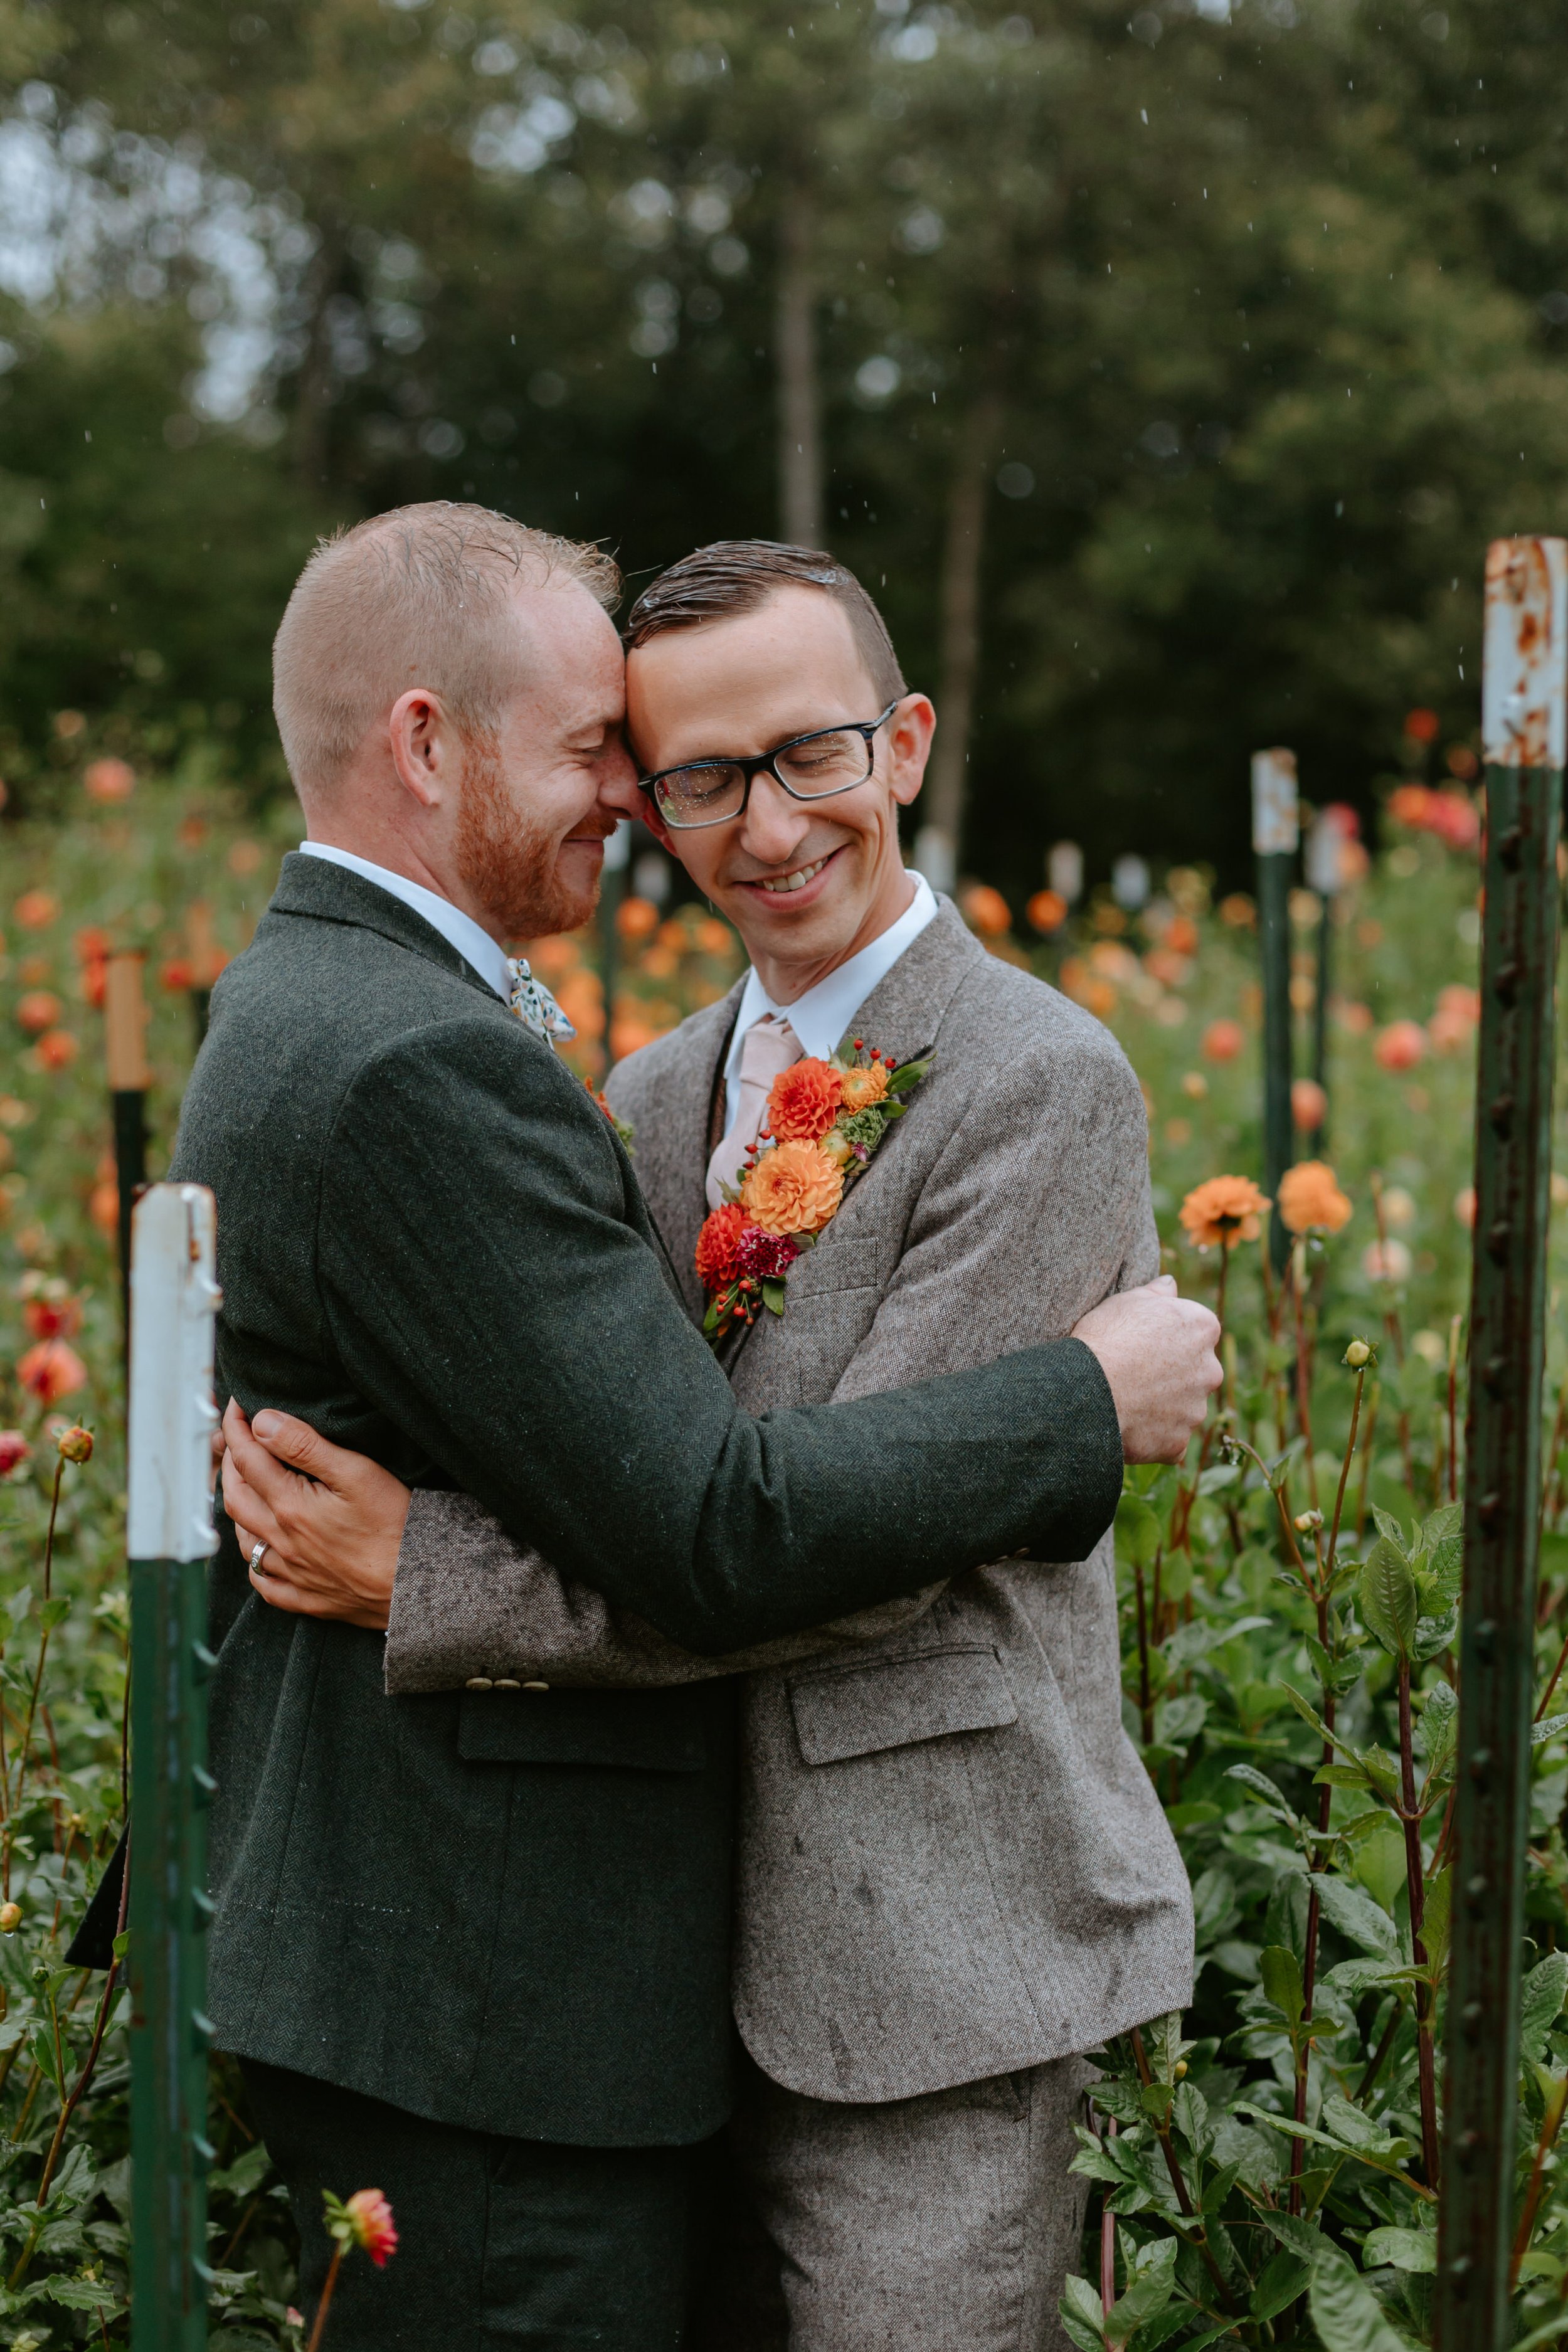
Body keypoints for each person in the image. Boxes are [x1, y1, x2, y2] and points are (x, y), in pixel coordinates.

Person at [215, 524, 1219, 2351]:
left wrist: (423, 1581)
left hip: (928, 1963)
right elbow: (700, 1515)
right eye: (689, 776)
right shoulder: (645, 1089)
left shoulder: (1034, 1079)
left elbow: (839, 1571)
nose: (763, 827)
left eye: (810, 756)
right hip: (657, 1968)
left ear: (903, 742)